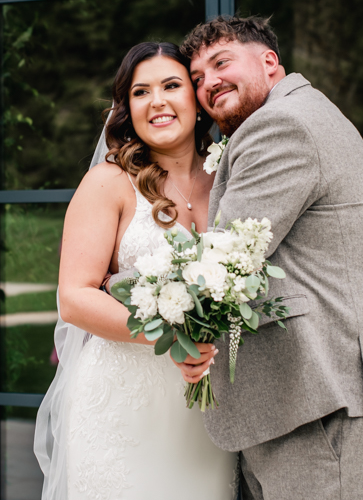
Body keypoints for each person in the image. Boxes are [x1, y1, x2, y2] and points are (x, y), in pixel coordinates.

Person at [180, 15, 363, 500]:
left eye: (221, 63)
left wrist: (123, 287)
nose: (208, 82)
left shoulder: (281, 124)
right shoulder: (304, 113)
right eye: (197, 77)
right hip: (307, 399)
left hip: (322, 401)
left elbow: (225, 258)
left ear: (269, 61)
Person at [33, 42, 237, 500]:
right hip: (122, 405)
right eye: (141, 92)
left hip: (208, 409)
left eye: (171, 86)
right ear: (127, 108)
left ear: (196, 97)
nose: (157, 101)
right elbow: (74, 297)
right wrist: (173, 337)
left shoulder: (229, 178)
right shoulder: (109, 182)